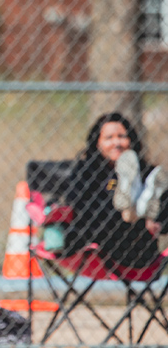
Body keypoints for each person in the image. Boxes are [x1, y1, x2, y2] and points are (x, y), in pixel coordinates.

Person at [62, 112, 167, 268]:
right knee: (110, 213)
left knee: (157, 202)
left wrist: (158, 223)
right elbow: (80, 208)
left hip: (139, 251)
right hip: (95, 246)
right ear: (97, 143)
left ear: (131, 141)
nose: (116, 142)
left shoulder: (146, 171)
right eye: (109, 138)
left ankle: (136, 206)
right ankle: (134, 209)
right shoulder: (86, 172)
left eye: (122, 136)